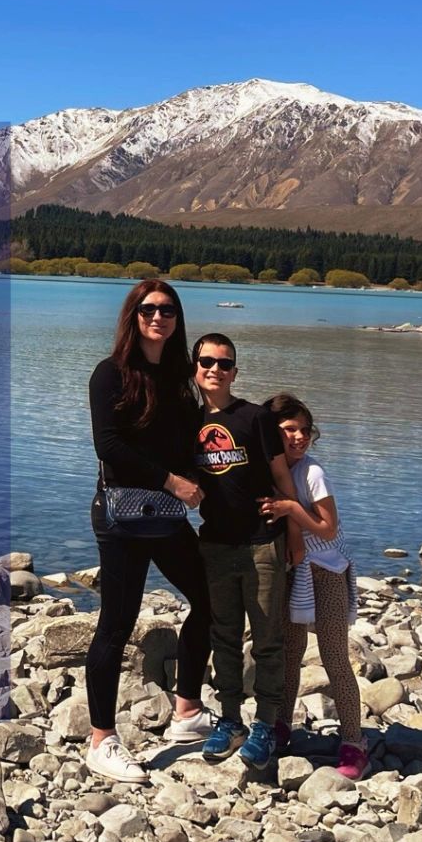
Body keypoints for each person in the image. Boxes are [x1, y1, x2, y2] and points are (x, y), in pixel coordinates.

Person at [84, 280, 216, 784]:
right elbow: (108, 445)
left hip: (165, 516)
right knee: (116, 625)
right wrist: (172, 482)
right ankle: (102, 740)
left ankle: (186, 711)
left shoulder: (182, 379)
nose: (157, 317)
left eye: (167, 310)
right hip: (121, 518)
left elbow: (194, 443)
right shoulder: (111, 374)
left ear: (178, 319)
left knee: (209, 599)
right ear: (132, 316)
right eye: (148, 309)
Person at [191, 333, 302, 770]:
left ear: (235, 372)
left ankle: (266, 725)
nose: (215, 369)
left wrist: (294, 532)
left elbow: (282, 477)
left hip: (261, 544)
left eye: (224, 363)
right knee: (225, 637)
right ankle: (230, 719)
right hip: (215, 545)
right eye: (206, 361)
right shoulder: (188, 422)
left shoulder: (254, 418)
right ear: (195, 368)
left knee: (268, 641)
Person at [261, 393, 368, 779]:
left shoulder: (312, 473)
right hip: (292, 571)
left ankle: (354, 740)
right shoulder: (267, 470)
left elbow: (328, 528)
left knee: (335, 655)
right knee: (290, 652)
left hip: (327, 570)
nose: (300, 437)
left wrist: (291, 508)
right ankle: (281, 726)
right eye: (290, 429)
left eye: (305, 430)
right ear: (273, 433)